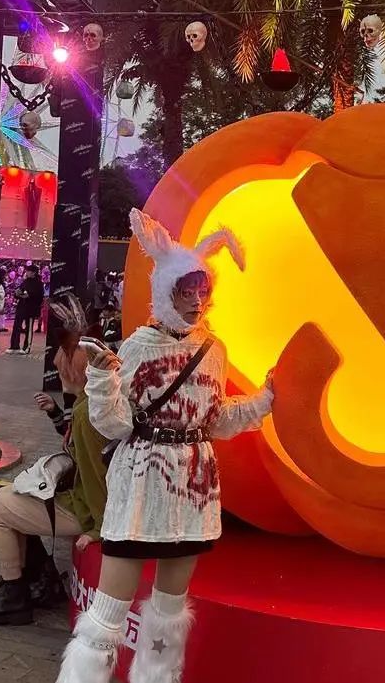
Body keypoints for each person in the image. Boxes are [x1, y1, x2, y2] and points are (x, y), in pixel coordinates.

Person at [55, 211, 275, 683]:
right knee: (108, 612)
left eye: (202, 290)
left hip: (192, 491)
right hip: (140, 485)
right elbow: (114, 425)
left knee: (169, 612)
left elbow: (215, 419)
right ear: (164, 292)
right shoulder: (138, 346)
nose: (196, 301)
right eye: (185, 290)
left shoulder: (213, 350)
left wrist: (263, 402)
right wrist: (102, 378)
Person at [0, 294, 109, 628]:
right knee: (13, 496)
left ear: (74, 368)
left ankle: (14, 595)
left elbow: (96, 475)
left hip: (84, 508)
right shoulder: (92, 403)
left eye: (62, 365)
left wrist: (99, 528)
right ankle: (37, 578)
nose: (58, 369)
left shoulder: (88, 412)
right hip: (84, 501)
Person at [6, 264, 44, 355]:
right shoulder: (25, 281)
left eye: (28, 271)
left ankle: (26, 347)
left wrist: (29, 295)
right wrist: (17, 294)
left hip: (31, 308)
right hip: (21, 306)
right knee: (16, 326)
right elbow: (20, 291)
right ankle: (14, 346)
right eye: (26, 271)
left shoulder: (39, 283)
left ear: (34, 272)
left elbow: (39, 297)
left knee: (28, 328)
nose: (26, 272)